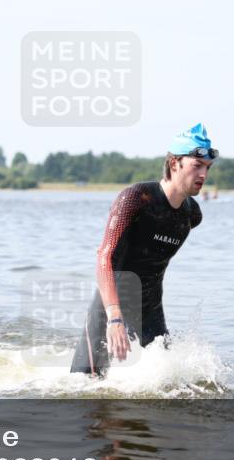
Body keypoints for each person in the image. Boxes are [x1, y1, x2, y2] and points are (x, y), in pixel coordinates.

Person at [70, 123, 216, 377]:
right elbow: (104, 256)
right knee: (83, 388)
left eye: (207, 168)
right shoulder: (136, 199)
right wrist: (114, 316)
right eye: (196, 166)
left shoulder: (192, 214)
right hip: (111, 307)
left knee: (168, 386)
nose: (203, 174)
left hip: (151, 311)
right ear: (174, 164)